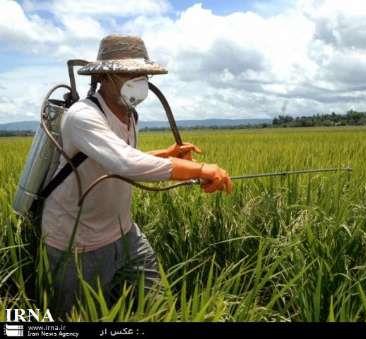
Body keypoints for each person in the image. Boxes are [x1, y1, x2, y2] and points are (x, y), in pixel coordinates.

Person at [40, 34, 233, 316]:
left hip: (124, 233)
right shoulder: (83, 117)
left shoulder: (129, 114)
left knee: (158, 307)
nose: (139, 79)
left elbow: (119, 158)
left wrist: (166, 155)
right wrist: (200, 170)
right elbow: (125, 162)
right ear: (104, 77)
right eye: (129, 73)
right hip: (76, 243)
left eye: (142, 73)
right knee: (77, 319)